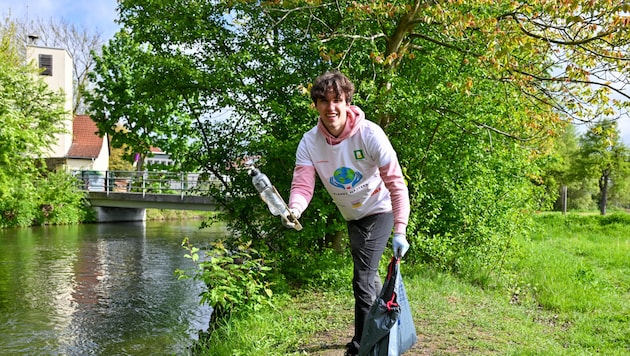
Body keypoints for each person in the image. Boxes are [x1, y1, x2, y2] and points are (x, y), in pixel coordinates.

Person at [281, 70, 410, 356]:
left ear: (347, 102)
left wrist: (399, 229)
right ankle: (389, 325)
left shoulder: (370, 134)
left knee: (362, 279)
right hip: (352, 215)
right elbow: (303, 184)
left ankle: (361, 348)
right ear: (315, 105)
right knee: (370, 278)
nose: (331, 107)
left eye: (337, 100)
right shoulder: (310, 142)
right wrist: (295, 209)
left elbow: (397, 184)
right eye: (324, 101)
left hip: (380, 209)